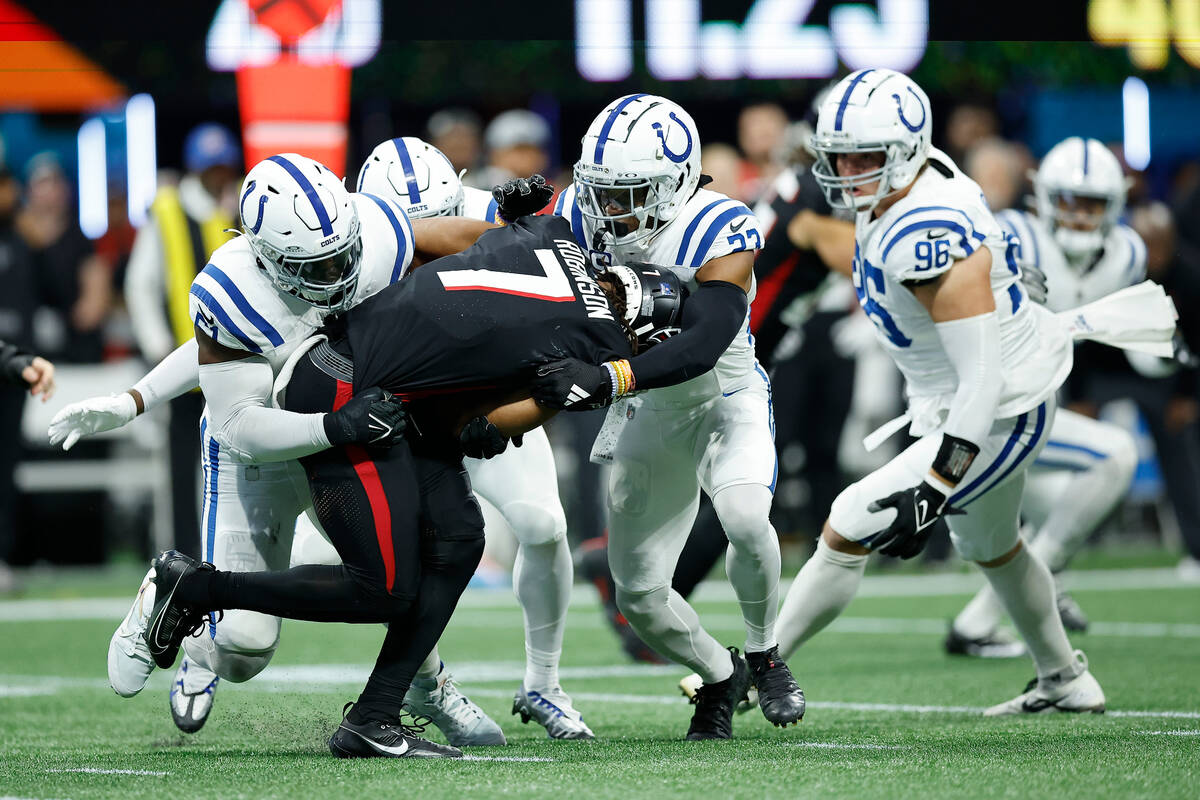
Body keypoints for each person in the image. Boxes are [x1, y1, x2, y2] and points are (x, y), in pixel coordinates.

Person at [109, 211, 684, 759]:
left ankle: (375, 716)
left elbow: (486, 261)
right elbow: (490, 426)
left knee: (459, 536)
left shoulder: (545, 237)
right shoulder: (603, 342)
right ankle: (192, 589)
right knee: (381, 588)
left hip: (361, 376)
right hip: (347, 393)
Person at [52, 153, 494, 747]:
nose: (336, 274)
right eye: (314, 265)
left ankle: (423, 684)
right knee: (245, 648)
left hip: (339, 438)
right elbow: (238, 423)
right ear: (265, 255)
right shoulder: (232, 290)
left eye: (342, 255)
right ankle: (180, 612)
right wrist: (335, 426)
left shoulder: (374, 231)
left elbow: (448, 237)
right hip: (257, 456)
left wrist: (525, 242)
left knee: (399, 562)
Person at [772, 69, 1105, 715]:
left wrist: (937, 484)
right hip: (971, 397)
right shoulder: (912, 183)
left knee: (847, 523)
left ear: (906, 150)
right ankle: (1066, 678)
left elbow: (983, 377)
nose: (848, 169)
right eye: (839, 154)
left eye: (866, 155)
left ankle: (756, 669)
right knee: (992, 547)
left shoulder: (925, 229)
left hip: (999, 406)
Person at [533, 94, 806, 740]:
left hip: (724, 398)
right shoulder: (576, 210)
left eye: (632, 193)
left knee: (742, 514)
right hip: (649, 410)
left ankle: (765, 652)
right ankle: (720, 675)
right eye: (603, 191)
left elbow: (704, 340)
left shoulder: (719, 224)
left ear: (678, 183)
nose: (611, 210)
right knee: (640, 598)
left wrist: (609, 375)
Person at [356, 139, 591, 738]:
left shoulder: (498, 217)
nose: (427, 241)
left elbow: (570, 291)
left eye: (439, 220)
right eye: (411, 230)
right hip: (399, 418)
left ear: (459, 198)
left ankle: (544, 682)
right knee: (372, 556)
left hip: (487, 402)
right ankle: (423, 680)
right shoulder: (350, 236)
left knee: (543, 524)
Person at [946, 137, 1144, 655]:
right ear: (1043, 197)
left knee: (1065, 510)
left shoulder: (1127, 254)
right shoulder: (1013, 235)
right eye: (1069, 201)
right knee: (1115, 457)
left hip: (1027, 405)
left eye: (1092, 204)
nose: (1078, 215)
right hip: (975, 403)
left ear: (1115, 205)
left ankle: (1005, 610)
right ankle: (995, 612)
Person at [125, 123, 242, 559]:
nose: (218, 175)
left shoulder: (242, 207)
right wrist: (158, 348)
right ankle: (183, 554)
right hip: (183, 365)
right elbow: (141, 284)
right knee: (181, 467)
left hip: (238, 364)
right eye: (210, 167)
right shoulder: (169, 209)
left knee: (240, 461)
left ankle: (233, 551)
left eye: (223, 166)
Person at [15, 153, 112, 364]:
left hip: (73, 342)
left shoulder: (79, 238)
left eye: (54, 183)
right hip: (24, 343)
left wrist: (93, 300)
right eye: (42, 184)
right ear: (29, 192)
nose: (50, 192)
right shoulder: (15, 237)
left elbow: (95, 281)